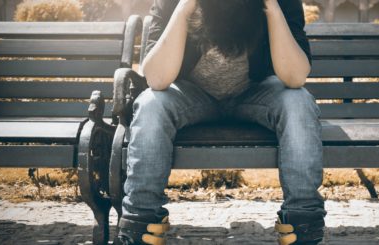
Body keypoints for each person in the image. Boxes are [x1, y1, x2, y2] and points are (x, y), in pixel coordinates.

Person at [117, 0, 326, 244]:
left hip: (255, 93)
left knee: (298, 102)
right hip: (192, 95)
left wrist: (272, 8)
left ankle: (302, 224)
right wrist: (184, 7)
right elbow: (157, 78)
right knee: (151, 104)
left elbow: (295, 77)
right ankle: (141, 222)